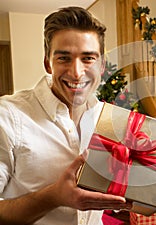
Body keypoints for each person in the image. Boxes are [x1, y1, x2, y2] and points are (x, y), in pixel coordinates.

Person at [0, 7, 131, 225]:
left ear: (102, 66)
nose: (77, 72)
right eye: (64, 58)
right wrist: (52, 197)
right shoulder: (8, 116)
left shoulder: (109, 120)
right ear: (47, 63)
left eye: (88, 58)